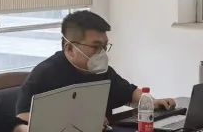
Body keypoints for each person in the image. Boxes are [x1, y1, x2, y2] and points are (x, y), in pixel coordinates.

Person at [16, 10, 175, 122]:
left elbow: (130, 92)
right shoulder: (45, 74)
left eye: (104, 46)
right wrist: (76, 122)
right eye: (96, 46)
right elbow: (22, 116)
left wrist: (152, 102)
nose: (102, 53)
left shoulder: (101, 71)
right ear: (70, 49)